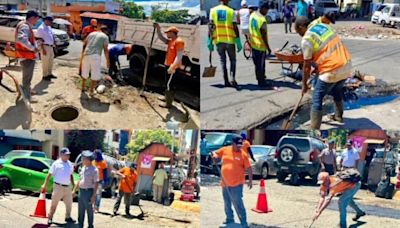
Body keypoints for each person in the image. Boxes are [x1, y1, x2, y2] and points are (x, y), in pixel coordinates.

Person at [294, 16, 352, 129]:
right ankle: (339, 117)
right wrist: (318, 67)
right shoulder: (322, 26)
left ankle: (314, 129)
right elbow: (326, 51)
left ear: (301, 27)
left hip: (331, 69)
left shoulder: (306, 39)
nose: (299, 34)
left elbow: (306, 67)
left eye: (297, 31)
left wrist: (304, 85)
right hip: (346, 64)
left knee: (317, 98)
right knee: (337, 90)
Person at [212, 136, 253, 228]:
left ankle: (243, 222)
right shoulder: (225, 149)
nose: (239, 147)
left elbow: (249, 168)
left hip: (237, 184)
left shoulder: (243, 154)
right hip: (225, 183)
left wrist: (250, 181)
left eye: (240, 145)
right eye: (237, 145)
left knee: (238, 203)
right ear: (233, 143)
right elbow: (215, 153)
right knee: (227, 203)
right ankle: (229, 218)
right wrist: (215, 156)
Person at [208, 0, 242, 87]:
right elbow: (234, 26)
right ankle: (232, 79)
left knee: (223, 61)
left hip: (218, 40)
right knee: (233, 60)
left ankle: (226, 81)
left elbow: (211, 26)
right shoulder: (231, 11)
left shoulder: (213, 10)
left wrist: (209, 41)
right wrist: (238, 40)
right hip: (230, 40)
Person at [41, 148, 75, 225]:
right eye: (66, 154)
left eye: (68, 155)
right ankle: (50, 218)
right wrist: (44, 185)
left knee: (69, 203)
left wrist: (73, 185)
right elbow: (49, 175)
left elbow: (71, 175)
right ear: (61, 155)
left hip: (67, 187)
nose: (68, 156)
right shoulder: (56, 163)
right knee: (54, 204)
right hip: (58, 186)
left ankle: (68, 217)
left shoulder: (70, 164)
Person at [153, 23, 185, 108]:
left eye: (168, 32)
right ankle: (166, 98)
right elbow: (161, 38)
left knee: (169, 85)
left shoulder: (179, 41)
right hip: (168, 65)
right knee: (167, 83)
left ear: (172, 32)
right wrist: (158, 29)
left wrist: (173, 66)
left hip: (173, 67)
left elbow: (179, 56)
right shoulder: (171, 41)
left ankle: (168, 104)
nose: (166, 34)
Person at [15, 10, 40, 103]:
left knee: (27, 77)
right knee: (27, 79)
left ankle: (28, 91)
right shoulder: (25, 26)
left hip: (26, 56)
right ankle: (27, 97)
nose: (36, 22)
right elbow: (21, 39)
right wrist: (33, 48)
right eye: (36, 20)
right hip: (26, 57)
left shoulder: (24, 25)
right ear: (32, 18)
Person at [72, 151, 99, 228]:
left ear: (88, 160)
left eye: (83, 159)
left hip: (88, 192)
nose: (82, 160)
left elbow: (96, 183)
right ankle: (80, 225)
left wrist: (94, 196)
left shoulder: (94, 170)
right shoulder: (83, 168)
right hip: (81, 191)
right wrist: (74, 190)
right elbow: (79, 180)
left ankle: (90, 225)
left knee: (89, 210)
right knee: (81, 210)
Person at [81, 25, 110, 95]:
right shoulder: (105, 36)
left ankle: (83, 88)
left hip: (86, 54)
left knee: (85, 71)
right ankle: (91, 91)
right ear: (106, 31)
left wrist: (82, 55)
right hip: (95, 56)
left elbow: (84, 44)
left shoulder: (91, 34)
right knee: (94, 73)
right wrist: (107, 61)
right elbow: (106, 49)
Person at [249, 2, 272, 87]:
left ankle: (259, 77)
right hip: (260, 46)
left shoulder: (252, 15)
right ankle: (261, 82)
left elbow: (249, 29)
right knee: (261, 65)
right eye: (267, 10)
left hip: (253, 44)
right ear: (263, 8)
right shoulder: (262, 20)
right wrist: (268, 47)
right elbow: (264, 35)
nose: (267, 12)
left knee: (257, 64)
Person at [37, 16, 56, 81]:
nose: (51, 23)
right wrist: (42, 49)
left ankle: (49, 73)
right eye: (50, 21)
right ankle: (45, 75)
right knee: (45, 62)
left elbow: (51, 36)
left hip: (50, 46)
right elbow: (39, 40)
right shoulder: (41, 28)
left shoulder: (49, 27)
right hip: (45, 47)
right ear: (46, 21)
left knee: (50, 61)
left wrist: (54, 43)